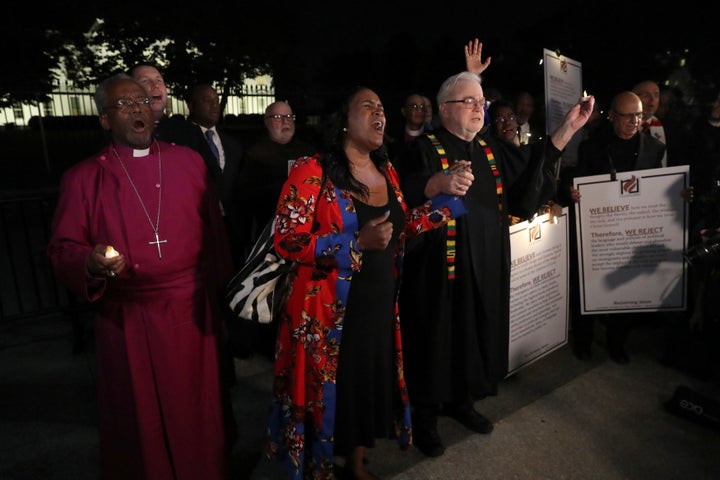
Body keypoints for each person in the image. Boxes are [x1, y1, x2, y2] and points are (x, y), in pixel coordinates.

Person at [266, 86, 469, 480]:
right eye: (367, 106)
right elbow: (287, 239)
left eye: (381, 107)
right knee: (322, 392)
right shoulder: (313, 169)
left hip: (376, 305)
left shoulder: (386, 170)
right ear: (344, 119)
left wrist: (446, 201)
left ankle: (356, 464)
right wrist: (354, 242)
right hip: (324, 311)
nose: (380, 113)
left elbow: (398, 230)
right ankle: (317, 467)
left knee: (360, 387)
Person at [394, 69, 594, 458]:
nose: (478, 108)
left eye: (481, 102)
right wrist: (433, 185)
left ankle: (462, 402)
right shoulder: (421, 149)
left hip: (486, 263)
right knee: (436, 339)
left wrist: (567, 129)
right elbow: (398, 197)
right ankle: (425, 416)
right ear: (443, 109)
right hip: (436, 271)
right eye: (468, 101)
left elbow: (529, 182)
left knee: (475, 333)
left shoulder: (490, 150)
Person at [46, 73, 234, 479]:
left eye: (142, 101)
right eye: (124, 104)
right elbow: (63, 248)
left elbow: (215, 236)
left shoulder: (189, 162)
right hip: (128, 316)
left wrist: (223, 294)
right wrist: (90, 262)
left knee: (196, 411)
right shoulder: (83, 179)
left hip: (190, 313)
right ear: (104, 120)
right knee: (140, 419)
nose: (137, 108)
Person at [569, 91, 666, 364]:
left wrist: (678, 195)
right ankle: (583, 341)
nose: (634, 121)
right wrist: (574, 194)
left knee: (626, 291)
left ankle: (617, 343)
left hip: (632, 235)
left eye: (638, 115)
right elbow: (577, 183)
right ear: (612, 116)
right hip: (598, 232)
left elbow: (658, 189)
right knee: (587, 287)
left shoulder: (654, 149)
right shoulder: (592, 147)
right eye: (627, 116)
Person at [185, 83, 246, 267]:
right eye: (207, 100)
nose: (214, 105)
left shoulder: (233, 144)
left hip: (231, 228)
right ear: (191, 105)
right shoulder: (181, 142)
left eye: (217, 100)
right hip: (197, 227)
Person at [240, 100, 316, 241]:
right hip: (268, 231)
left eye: (289, 117)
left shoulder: (308, 153)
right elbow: (247, 199)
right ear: (266, 122)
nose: (285, 122)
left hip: (305, 231)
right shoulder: (255, 154)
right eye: (278, 117)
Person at [387, 93, 431, 159]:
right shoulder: (391, 138)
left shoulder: (432, 138)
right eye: (414, 106)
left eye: (422, 107)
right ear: (404, 111)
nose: (419, 110)